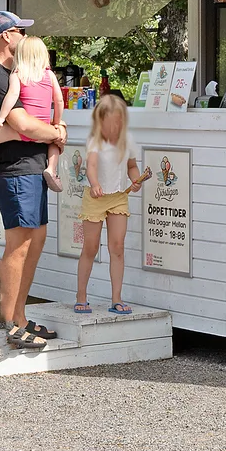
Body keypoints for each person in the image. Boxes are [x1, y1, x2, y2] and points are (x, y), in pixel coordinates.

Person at [0, 10, 67, 350]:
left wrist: (55, 131)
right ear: (5, 37)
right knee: (18, 244)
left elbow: (46, 110)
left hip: (34, 165)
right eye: (19, 31)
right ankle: (10, 322)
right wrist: (57, 133)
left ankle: (21, 315)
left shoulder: (26, 71)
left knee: (37, 238)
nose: (24, 37)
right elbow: (23, 123)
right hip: (15, 169)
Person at [74, 94, 151, 315]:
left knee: (117, 247)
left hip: (118, 196)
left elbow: (131, 166)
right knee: (90, 247)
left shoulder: (127, 140)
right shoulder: (95, 141)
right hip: (96, 198)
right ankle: (81, 295)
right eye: (111, 121)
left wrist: (136, 180)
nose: (115, 126)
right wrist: (95, 183)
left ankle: (116, 298)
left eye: (119, 121)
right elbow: (91, 166)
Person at [0, 35, 64, 199]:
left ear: (20, 55)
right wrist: (56, 123)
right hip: (43, 127)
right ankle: (52, 169)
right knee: (55, 142)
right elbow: (59, 100)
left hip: (22, 132)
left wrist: (1, 117)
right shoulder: (50, 76)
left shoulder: (17, 74)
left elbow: (11, 96)